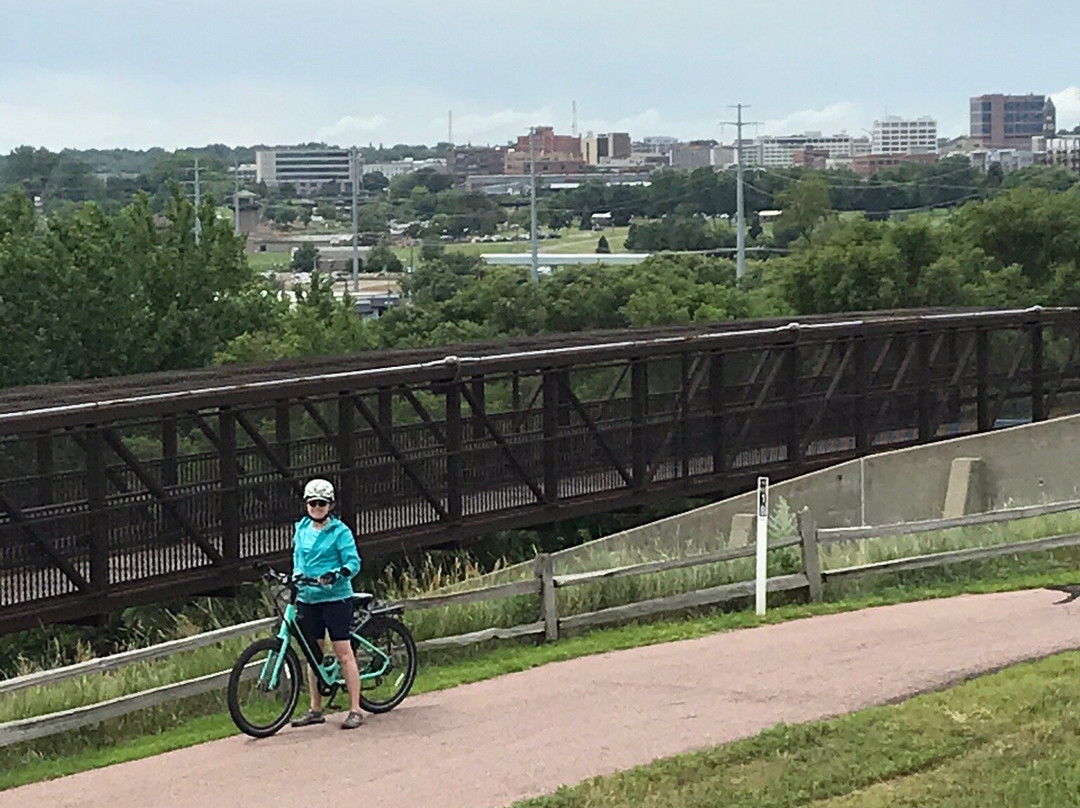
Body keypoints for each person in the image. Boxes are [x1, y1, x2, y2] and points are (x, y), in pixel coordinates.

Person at [289, 478, 365, 730]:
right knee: (314, 655)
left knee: (344, 653)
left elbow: (353, 562)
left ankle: (355, 709)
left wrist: (336, 574)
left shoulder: (340, 532)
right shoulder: (300, 528)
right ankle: (315, 708)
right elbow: (297, 558)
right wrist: (295, 576)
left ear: (330, 505)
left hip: (335, 598)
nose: (316, 507)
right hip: (307, 598)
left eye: (321, 503)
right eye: (312, 503)